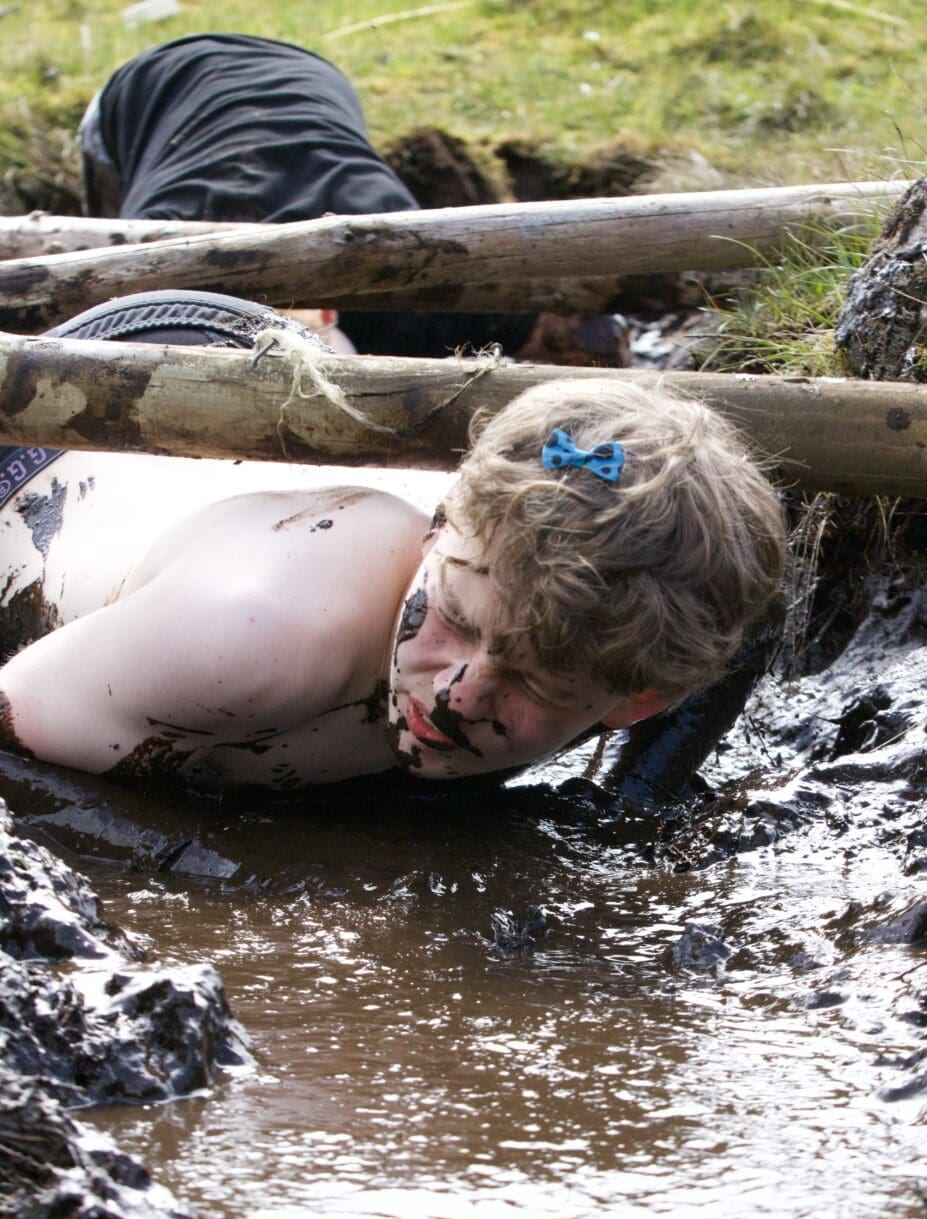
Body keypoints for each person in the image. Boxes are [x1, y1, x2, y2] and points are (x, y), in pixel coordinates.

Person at [0, 289, 785, 797]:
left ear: (637, 701)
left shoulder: (645, 636)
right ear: (440, 526)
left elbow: (738, 638)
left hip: (296, 407)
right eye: (455, 619)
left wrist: (634, 807)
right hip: (79, 422)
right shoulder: (256, 634)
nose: (458, 697)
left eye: (535, 684)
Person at [78, 32, 630, 367]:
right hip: (154, 87)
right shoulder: (156, 273)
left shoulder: (416, 283)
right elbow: (86, 310)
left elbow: (578, 330)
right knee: (95, 302)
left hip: (296, 76)